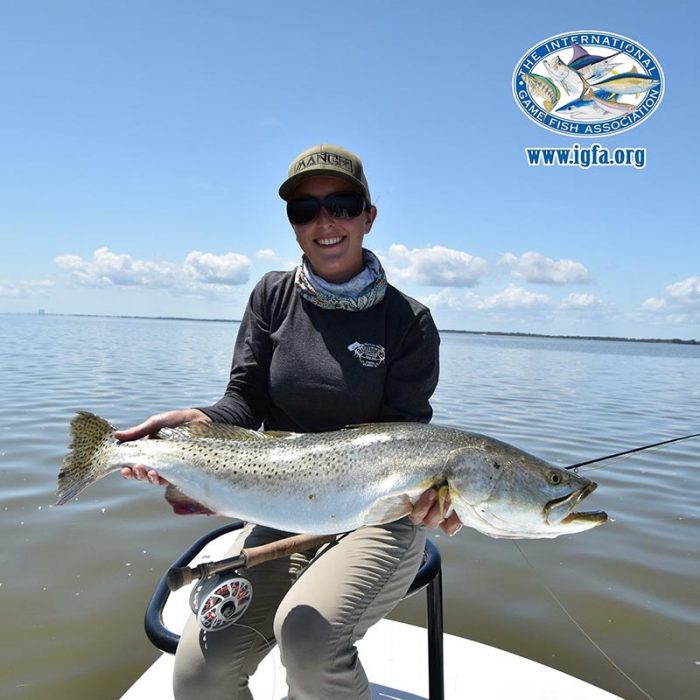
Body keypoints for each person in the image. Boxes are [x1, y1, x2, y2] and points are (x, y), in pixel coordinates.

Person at [117, 143, 462, 700]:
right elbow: (244, 400)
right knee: (199, 673)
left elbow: (407, 439)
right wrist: (198, 425)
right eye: (304, 210)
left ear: (369, 217)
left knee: (309, 637)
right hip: (280, 508)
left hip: (380, 519)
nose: (324, 222)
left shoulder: (409, 322)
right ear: (294, 226)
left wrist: (432, 500)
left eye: (342, 205)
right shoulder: (272, 296)